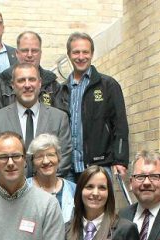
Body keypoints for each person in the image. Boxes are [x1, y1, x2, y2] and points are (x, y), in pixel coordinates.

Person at [54, 32, 129, 181]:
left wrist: (120, 159)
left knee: (99, 205)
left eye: (85, 52)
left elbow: (120, 125)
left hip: (98, 166)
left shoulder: (108, 85)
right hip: (67, 170)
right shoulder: (61, 90)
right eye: (76, 52)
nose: (81, 57)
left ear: (92, 54)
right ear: (69, 54)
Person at [0, 63, 71, 181]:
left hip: (47, 193)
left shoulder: (59, 118)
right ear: (12, 85)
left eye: (32, 79)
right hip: (11, 192)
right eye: (21, 80)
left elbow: (64, 158)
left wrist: (43, 189)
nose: (27, 85)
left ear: (40, 83)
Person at [0, 31, 62, 116]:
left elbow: (60, 121)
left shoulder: (53, 86)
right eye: (25, 50)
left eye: (34, 51)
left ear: (40, 53)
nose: (29, 55)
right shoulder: (0, 84)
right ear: (17, 53)